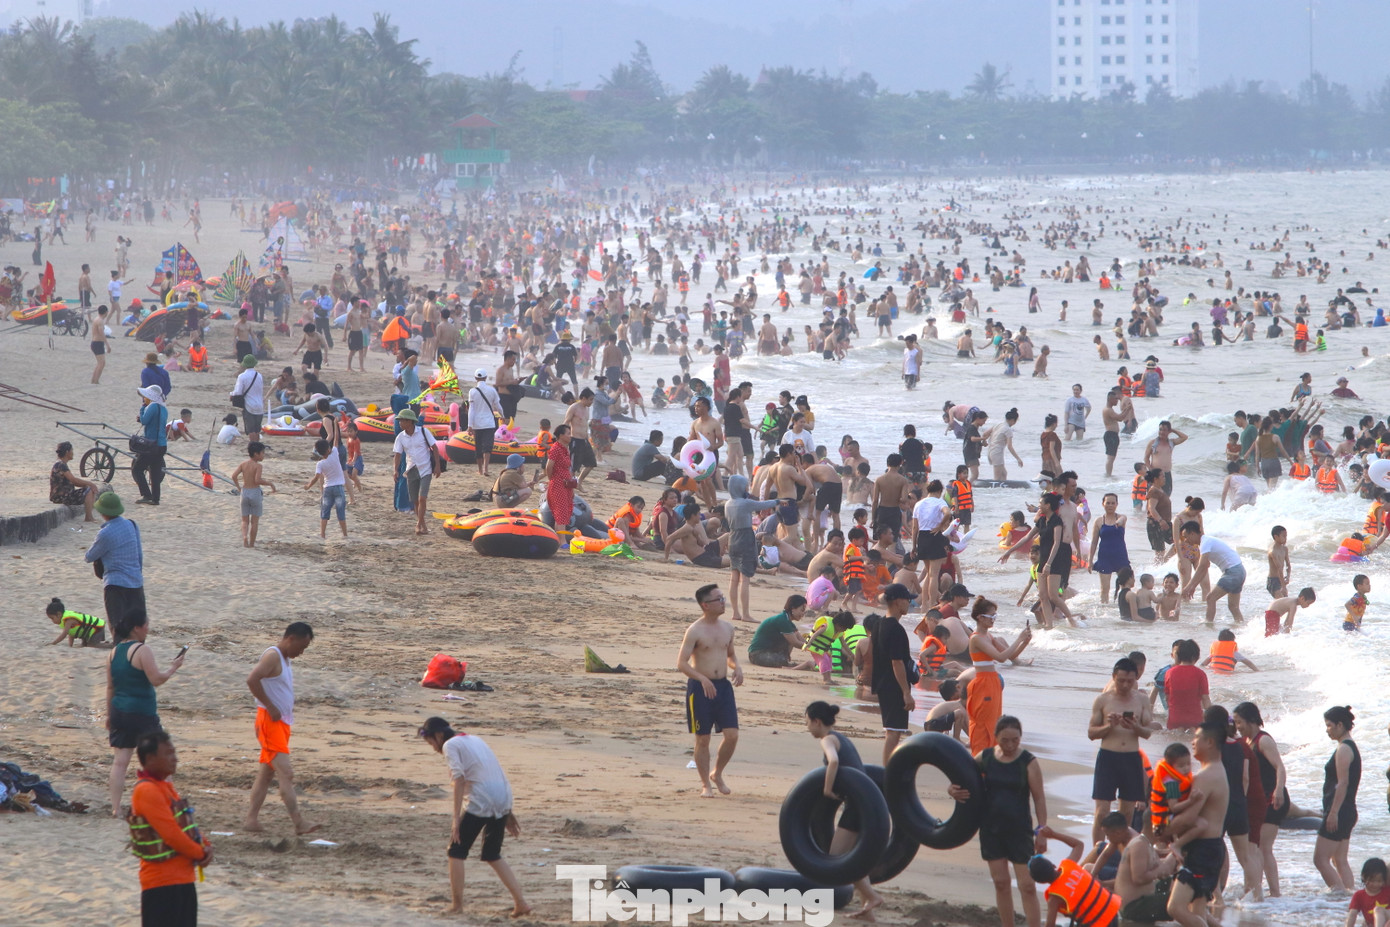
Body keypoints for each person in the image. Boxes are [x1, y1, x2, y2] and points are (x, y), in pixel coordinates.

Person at [417, 716, 531, 917]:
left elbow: (459, 780)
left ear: (439, 735)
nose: (433, 748)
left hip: (482, 799)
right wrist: (507, 810)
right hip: (503, 795)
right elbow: (494, 771)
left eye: (430, 742)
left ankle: (456, 905)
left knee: (456, 850)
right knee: (492, 853)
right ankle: (521, 903)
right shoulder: (475, 739)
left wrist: (456, 820)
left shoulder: (450, 746)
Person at [947, 715, 1047, 927]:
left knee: (1027, 885)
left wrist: (1042, 830)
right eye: (1005, 740)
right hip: (991, 828)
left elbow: (1039, 798)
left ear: (1020, 737)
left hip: (1020, 830)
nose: (1010, 745)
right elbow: (962, 778)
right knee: (1001, 883)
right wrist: (952, 790)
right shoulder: (986, 757)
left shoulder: (1028, 761)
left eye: (1015, 740)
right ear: (996, 737)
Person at [805, 700, 885, 919]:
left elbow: (833, 762)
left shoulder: (828, 739)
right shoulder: (841, 737)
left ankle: (873, 896)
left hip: (857, 806)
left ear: (817, 721)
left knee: (838, 858)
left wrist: (828, 790)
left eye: (808, 722)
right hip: (866, 803)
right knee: (854, 856)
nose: (808, 727)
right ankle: (868, 912)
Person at [244, 622, 322, 835]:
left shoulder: (284, 659)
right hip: (269, 723)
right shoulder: (273, 656)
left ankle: (251, 820)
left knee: (266, 775)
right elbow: (252, 679)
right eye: (302, 647)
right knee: (286, 773)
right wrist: (270, 706)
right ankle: (298, 823)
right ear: (291, 639)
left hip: (281, 724)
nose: (301, 652)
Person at [129, 731, 211, 927]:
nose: (175, 759)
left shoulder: (165, 787)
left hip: (182, 880)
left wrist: (206, 845)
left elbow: (186, 824)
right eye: (168, 754)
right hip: (162, 884)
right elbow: (172, 835)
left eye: (174, 753)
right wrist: (201, 853)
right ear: (150, 758)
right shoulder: (146, 790)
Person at [107, 607, 183, 818]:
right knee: (159, 760)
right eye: (146, 624)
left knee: (120, 762)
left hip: (118, 712)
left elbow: (110, 688)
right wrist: (173, 668)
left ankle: (116, 809)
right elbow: (156, 680)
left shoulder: (113, 653)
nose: (148, 628)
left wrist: (107, 715)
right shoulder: (142, 650)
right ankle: (168, 805)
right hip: (141, 713)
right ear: (137, 628)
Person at [676, 584, 743, 797]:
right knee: (702, 738)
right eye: (718, 599)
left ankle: (717, 773)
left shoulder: (727, 628)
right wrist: (702, 678)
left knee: (732, 735)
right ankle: (706, 784)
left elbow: (730, 655)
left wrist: (737, 667)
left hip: (723, 687)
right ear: (705, 605)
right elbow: (682, 663)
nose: (723, 602)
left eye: (723, 598)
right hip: (700, 688)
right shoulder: (694, 630)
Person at [1165, 723, 1230, 927]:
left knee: (1175, 908)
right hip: (1211, 848)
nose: (1192, 742)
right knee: (1198, 910)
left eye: (1197, 738)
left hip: (1203, 851)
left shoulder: (1205, 776)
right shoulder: (1217, 770)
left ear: (1209, 742)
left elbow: (1187, 819)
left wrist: (1163, 832)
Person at [1087, 658, 1155, 846]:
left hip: (1131, 758)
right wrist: (1109, 726)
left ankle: (1122, 854)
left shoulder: (1142, 700)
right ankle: (1098, 851)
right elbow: (1091, 733)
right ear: (1114, 677)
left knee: (1127, 812)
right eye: (1121, 680)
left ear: (1136, 679)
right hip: (1108, 757)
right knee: (1102, 812)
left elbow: (1148, 732)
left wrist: (1135, 727)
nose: (1125, 685)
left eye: (1130, 681)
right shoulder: (1103, 700)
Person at [1233, 702, 1288, 898]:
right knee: (1255, 848)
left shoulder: (1263, 740)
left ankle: (1275, 894)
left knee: (1264, 848)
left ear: (1250, 720)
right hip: (1260, 800)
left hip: (1273, 799)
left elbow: (1280, 767)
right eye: (1235, 722)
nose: (1237, 726)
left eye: (1239, 722)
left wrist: (1278, 791)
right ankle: (1256, 889)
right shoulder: (1247, 741)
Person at [966, 597, 1031, 754]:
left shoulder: (989, 637)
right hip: (983, 683)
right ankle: (979, 758)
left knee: (994, 722)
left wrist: (1025, 642)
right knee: (982, 723)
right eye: (991, 617)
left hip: (993, 682)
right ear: (980, 618)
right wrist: (1019, 638)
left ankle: (990, 759)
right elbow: (1000, 658)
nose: (993, 620)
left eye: (995, 616)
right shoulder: (976, 638)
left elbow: (1011, 656)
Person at [1315, 705, 1360, 891]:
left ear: (1340, 725)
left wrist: (1332, 813)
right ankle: (1349, 901)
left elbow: (1343, 784)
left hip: (1340, 811)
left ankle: (1340, 897)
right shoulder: (1350, 746)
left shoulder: (1343, 749)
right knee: (1339, 860)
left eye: (1329, 725)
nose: (1327, 730)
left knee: (1320, 859)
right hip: (1348, 810)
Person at [85, 492, 145, 630]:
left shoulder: (105, 533)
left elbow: (89, 556)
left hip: (115, 585)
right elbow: (139, 555)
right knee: (137, 629)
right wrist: (137, 573)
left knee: (119, 630)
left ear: (102, 512)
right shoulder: (132, 525)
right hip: (136, 582)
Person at [874, 583, 918, 764]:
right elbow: (897, 662)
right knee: (894, 731)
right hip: (894, 686)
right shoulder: (896, 629)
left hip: (883, 683)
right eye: (908, 600)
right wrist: (906, 693)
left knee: (891, 730)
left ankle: (888, 768)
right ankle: (887, 771)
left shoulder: (878, 624)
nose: (909, 604)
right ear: (898, 601)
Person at [725, 474, 776, 622]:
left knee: (734, 577)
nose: (747, 489)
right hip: (745, 537)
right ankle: (746, 614)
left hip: (732, 537)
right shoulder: (745, 503)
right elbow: (763, 505)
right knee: (745, 578)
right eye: (745, 487)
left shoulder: (728, 503)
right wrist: (779, 501)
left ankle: (735, 612)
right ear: (741, 488)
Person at [1179, 521, 1245, 623]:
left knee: (1210, 598)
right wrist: (1193, 586)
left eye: (1186, 536)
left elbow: (1202, 566)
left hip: (1232, 572)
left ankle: (1208, 625)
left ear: (1192, 533)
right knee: (1233, 607)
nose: (1185, 540)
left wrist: (1188, 587)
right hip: (1240, 571)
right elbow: (1204, 568)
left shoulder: (1205, 542)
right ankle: (1241, 626)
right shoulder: (1207, 541)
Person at [392, 408, 441, 536]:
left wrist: (437, 466)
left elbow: (435, 448)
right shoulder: (400, 437)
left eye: (402, 421)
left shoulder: (424, 432)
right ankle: (423, 525)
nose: (400, 423)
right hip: (411, 469)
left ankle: (418, 524)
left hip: (425, 469)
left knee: (422, 498)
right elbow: (397, 454)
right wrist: (395, 470)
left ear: (410, 422)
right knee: (415, 501)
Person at [230, 441, 275, 548]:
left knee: (244, 520)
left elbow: (234, 476)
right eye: (262, 453)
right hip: (254, 492)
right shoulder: (258, 466)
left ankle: (245, 537)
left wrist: (239, 488)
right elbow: (257, 480)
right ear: (256, 454)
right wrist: (270, 484)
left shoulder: (243, 464)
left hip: (245, 491)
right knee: (255, 521)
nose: (263, 455)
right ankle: (252, 543)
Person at [132, 385, 169, 506]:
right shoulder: (164, 408)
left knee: (137, 469)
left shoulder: (152, 406)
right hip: (162, 445)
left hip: (151, 445)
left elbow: (144, 421)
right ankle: (155, 499)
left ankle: (147, 495)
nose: (144, 399)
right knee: (155, 472)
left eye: (145, 397)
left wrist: (142, 409)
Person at [747, 595, 807, 668]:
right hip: (757, 654)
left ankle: (785, 660)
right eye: (802, 610)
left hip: (767, 651)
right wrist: (813, 649)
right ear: (793, 608)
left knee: (791, 638)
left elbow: (801, 639)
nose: (803, 614)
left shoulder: (787, 621)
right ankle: (786, 663)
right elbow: (795, 643)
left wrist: (814, 645)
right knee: (784, 662)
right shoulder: (783, 621)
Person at [1162, 640, 1209, 730]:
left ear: (1178, 656)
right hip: (1195, 720)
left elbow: (1167, 698)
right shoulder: (1200, 674)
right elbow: (1205, 698)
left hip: (1174, 720)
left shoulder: (1169, 673)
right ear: (1195, 656)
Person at [306, 437, 348, 539]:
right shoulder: (334, 454)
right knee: (340, 512)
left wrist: (308, 486)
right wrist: (335, 426)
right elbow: (336, 441)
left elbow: (316, 477)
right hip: (338, 487)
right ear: (328, 449)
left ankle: (323, 534)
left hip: (327, 488)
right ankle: (345, 534)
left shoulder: (320, 464)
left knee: (324, 512)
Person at [467, 368, 503, 478]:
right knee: (487, 446)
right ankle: (486, 468)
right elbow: (497, 405)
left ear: (475, 378)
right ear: (486, 378)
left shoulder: (472, 392)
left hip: (477, 423)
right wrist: (503, 415)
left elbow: (471, 410)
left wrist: (469, 425)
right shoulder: (492, 390)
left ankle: (480, 470)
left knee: (478, 446)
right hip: (489, 423)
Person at [50, 440, 99, 521]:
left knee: (89, 488)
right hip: (61, 496)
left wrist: (86, 484)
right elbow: (73, 480)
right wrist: (90, 484)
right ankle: (89, 517)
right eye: (72, 450)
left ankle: (90, 516)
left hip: (64, 495)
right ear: (67, 452)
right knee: (89, 490)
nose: (73, 453)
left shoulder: (60, 464)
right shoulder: (61, 465)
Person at [545, 424, 577, 529]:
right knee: (561, 513)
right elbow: (549, 467)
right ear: (561, 435)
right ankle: (561, 540)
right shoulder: (556, 448)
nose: (570, 436)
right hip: (558, 484)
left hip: (566, 484)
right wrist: (553, 479)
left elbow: (568, 469)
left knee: (566, 511)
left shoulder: (565, 449)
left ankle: (561, 539)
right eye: (568, 433)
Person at [230, 355, 266, 444]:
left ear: (244, 365)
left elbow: (238, 392)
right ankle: (257, 446)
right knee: (257, 429)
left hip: (249, 405)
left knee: (251, 429)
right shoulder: (259, 375)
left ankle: (253, 446)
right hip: (260, 405)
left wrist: (231, 394)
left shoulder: (242, 376)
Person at [1346, 859, 1390, 927]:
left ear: (1384, 880)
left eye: (1379, 881)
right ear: (1363, 877)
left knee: (1378, 910)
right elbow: (1352, 915)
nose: (1375, 884)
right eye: (1372, 881)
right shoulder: (1359, 895)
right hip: (1373, 924)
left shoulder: (1387, 890)